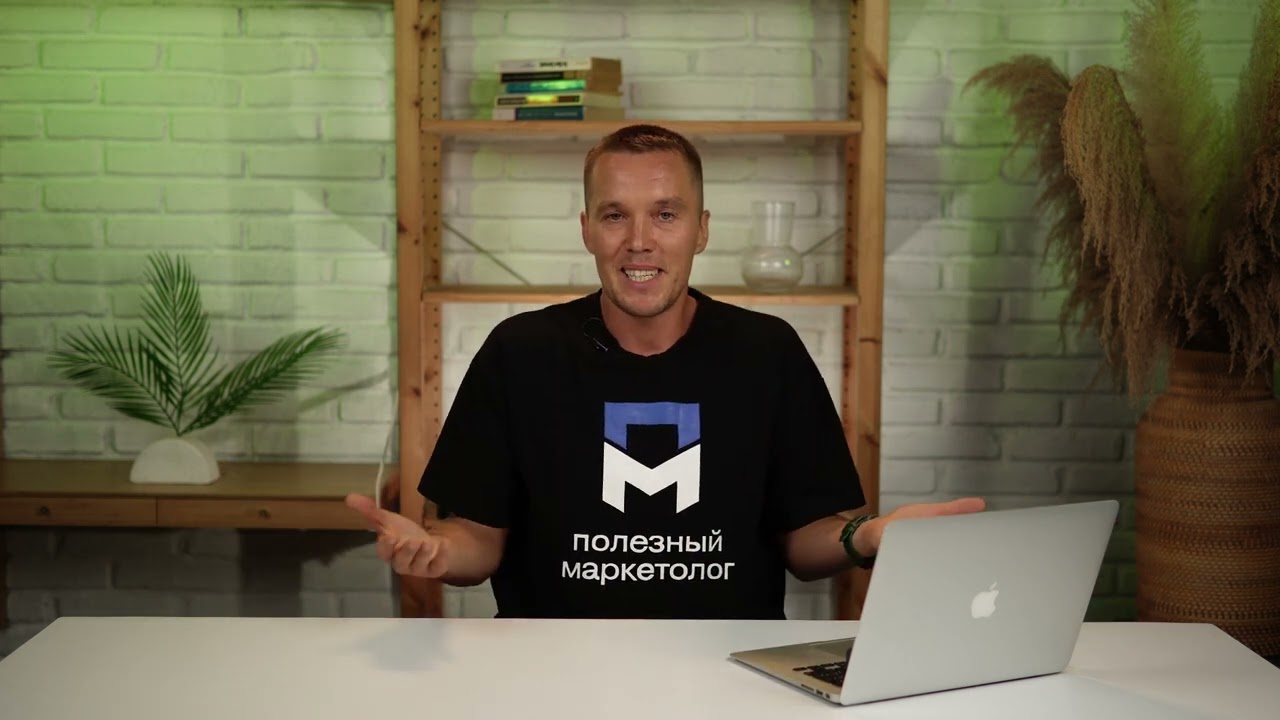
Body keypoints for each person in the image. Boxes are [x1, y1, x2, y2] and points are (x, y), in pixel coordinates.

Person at [345, 123, 984, 619]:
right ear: (587, 230)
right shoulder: (520, 351)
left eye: (666, 214)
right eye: (614, 215)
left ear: (701, 231)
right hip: (552, 666)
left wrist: (867, 537)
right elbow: (477, 539)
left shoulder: (767, 351)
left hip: (728, 667)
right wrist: (437, 550)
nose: (639, 240)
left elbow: (806, 540)